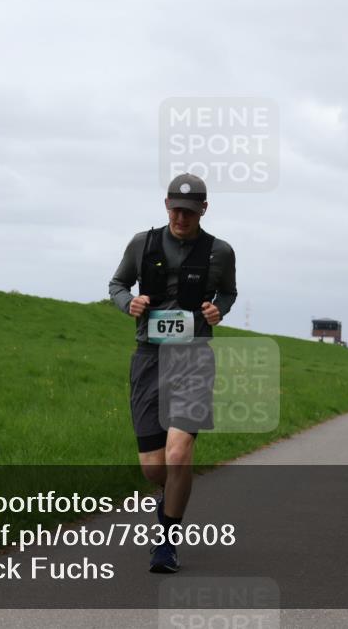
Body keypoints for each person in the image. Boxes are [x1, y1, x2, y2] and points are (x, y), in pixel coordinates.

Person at [108, 173, 237, 573]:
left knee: (179, 454)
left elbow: (228, 291)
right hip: (149, 359)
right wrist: (128, 302)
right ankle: (168, 497)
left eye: (190, 212)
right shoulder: (142, 243)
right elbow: (117, 284)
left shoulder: (220, 251)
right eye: (176, 210)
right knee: (154, 467)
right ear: (166, 205)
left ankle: (166, 542)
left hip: (194, 359)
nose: (181, 218)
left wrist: (218, 309)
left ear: (204, 209)